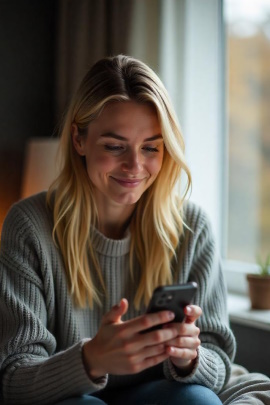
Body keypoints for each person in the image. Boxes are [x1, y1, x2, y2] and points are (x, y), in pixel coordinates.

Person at [0, 55, 236, 405]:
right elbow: (14, 379)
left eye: (151, 147)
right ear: (79, 140)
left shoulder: (192, 228)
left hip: (157, 392)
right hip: (73, 397)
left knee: (198, 401)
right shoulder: (29, 226)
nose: (135, 166)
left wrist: (190, 358)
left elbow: (219, 358)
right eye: (114, 146)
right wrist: (91, 360)